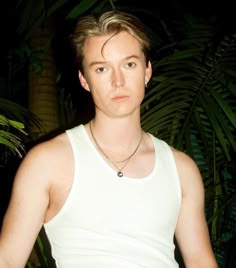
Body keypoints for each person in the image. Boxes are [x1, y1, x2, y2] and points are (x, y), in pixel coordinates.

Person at [0, 10, 218, 268]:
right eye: (102, 68)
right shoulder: (48, 163)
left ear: (147, 71)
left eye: (129, 64)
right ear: (84, 80)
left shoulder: (181, 170)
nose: (118, 81)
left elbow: (201, 261)